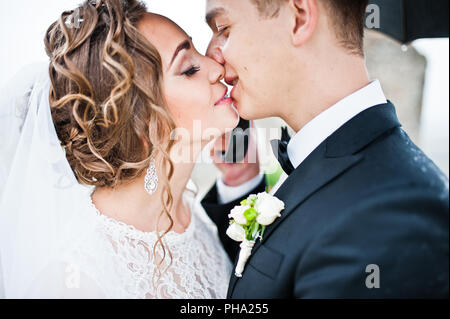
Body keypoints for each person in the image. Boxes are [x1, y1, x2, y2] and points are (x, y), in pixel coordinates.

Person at [201, 0, 449, 298]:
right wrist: (240, 179)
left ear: (299, 17)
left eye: (223, 29)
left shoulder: (388, 217)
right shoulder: (337, 162)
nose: (210, 57)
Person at [0, 0, 238, 298]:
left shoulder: (193, 217)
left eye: (197, 52)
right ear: (142, 124)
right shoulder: (74, 277)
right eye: (189, 69)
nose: (217, 67)